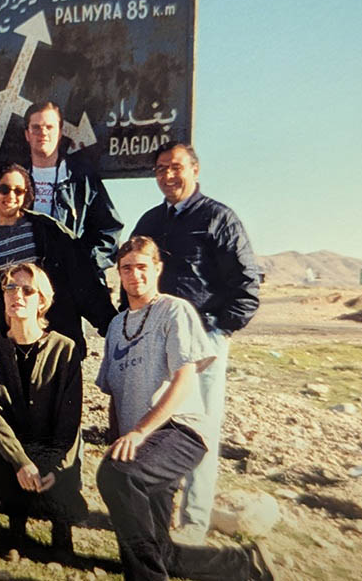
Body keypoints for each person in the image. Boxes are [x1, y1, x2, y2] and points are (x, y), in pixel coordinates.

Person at [95, 237, 275, 581]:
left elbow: (184, 381)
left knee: (115, 476)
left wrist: (139, 432)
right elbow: (114, 394)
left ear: (157, 269)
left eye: (142, 267)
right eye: (127, 268)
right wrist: (120, 438)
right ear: (119, 273)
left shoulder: (174, 310)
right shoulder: (117, 326)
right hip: (141, 445)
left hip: (179, 433)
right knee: (157, 549)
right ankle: (245, 565)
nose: (135, 275)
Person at [129, 141, 261, 543]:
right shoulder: (151, 220)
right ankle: (155, 512)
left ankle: (194, 521)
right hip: (156, 336)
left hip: (202, 340)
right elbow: (132, 270)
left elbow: (247, 286)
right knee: (156, 421)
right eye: (161, 169)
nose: (168, 175)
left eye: (176, 167)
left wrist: (218, 331)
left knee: (199, 429)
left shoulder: (219, 218)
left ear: (196, 170)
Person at [0, 263, 85, 555]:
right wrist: (21, 461)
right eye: (10, 288)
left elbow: (69, 418)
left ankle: (61, 529)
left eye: (27, 290)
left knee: (66, 471)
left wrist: (52, 465)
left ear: (41, 301)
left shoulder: (65, 349)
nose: (16, 295)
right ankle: (15, 530)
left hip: (54, 448)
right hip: (16, 448)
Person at [0, 163, 116, 356]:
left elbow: (83, 281)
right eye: (4, 189)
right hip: (2, 345)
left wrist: (114, 328)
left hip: (52, 339)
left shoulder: (48, 231)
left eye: (19, 191)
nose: (11, 197)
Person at [21, 101, 123, 282]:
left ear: (60, 133)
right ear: (27, 135)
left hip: (70, 284)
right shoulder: (15, 180)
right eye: (36, 127)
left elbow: (109, 229)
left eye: (49, 127)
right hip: (27, 283)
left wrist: (84, 265)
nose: (43, 133)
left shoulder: (81, 178)